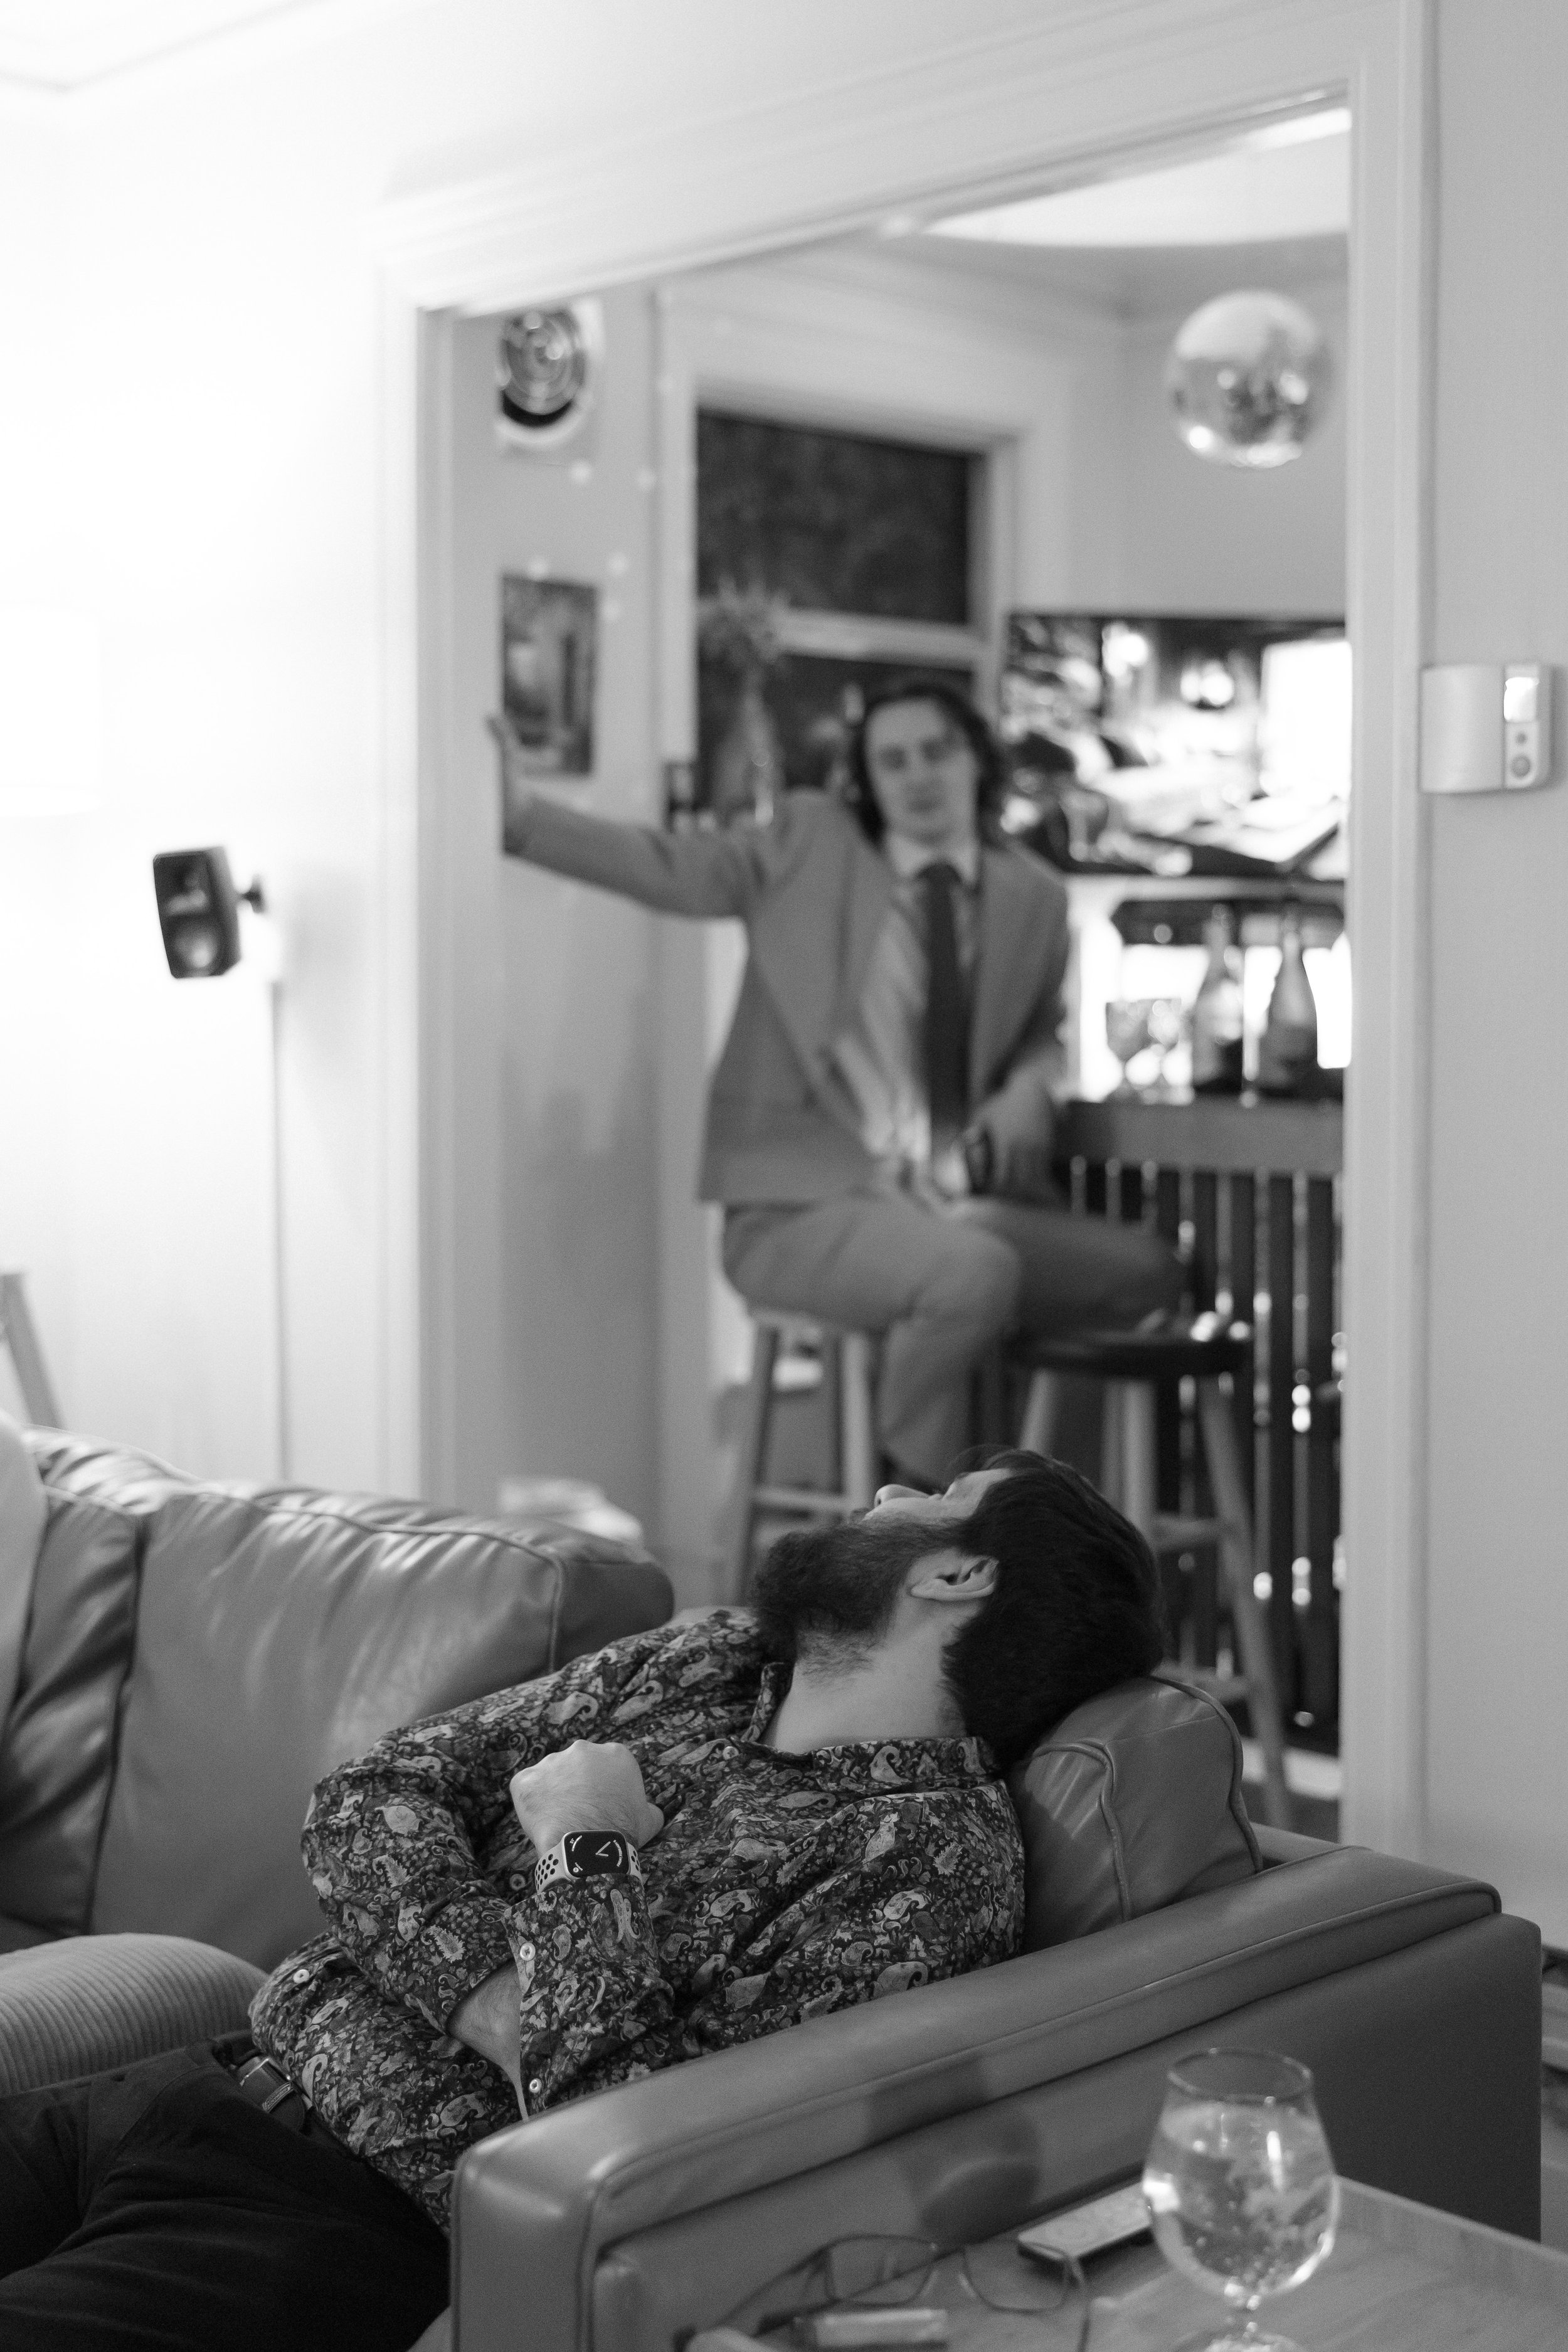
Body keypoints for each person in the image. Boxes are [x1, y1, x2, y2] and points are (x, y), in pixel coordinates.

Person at [0, 1453, 1163, 2352]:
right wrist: (510, 2008)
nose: (883, 1490)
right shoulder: (706, 1660)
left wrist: (584, 1841)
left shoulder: (929, 1870)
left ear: (958, 1573)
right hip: (204, 2077)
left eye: (936, 1493)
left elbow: (630, 2140)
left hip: (331, 2219)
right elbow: (367, 1796)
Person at [498, 679, 1182, 1486]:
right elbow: (677, 867)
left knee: (1141, 1273)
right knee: (973, 1275)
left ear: (977, 759)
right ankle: (912, 1514)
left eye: (936, 751)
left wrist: (1030, 1087)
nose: (918, 777)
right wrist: (523, 820)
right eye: (892, 762)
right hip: (796, 1206)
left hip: (941, 1197)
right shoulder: (810, 847)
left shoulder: (1032, 895)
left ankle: (1051, 1517)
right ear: (867, 781)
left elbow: (1043, 1034)